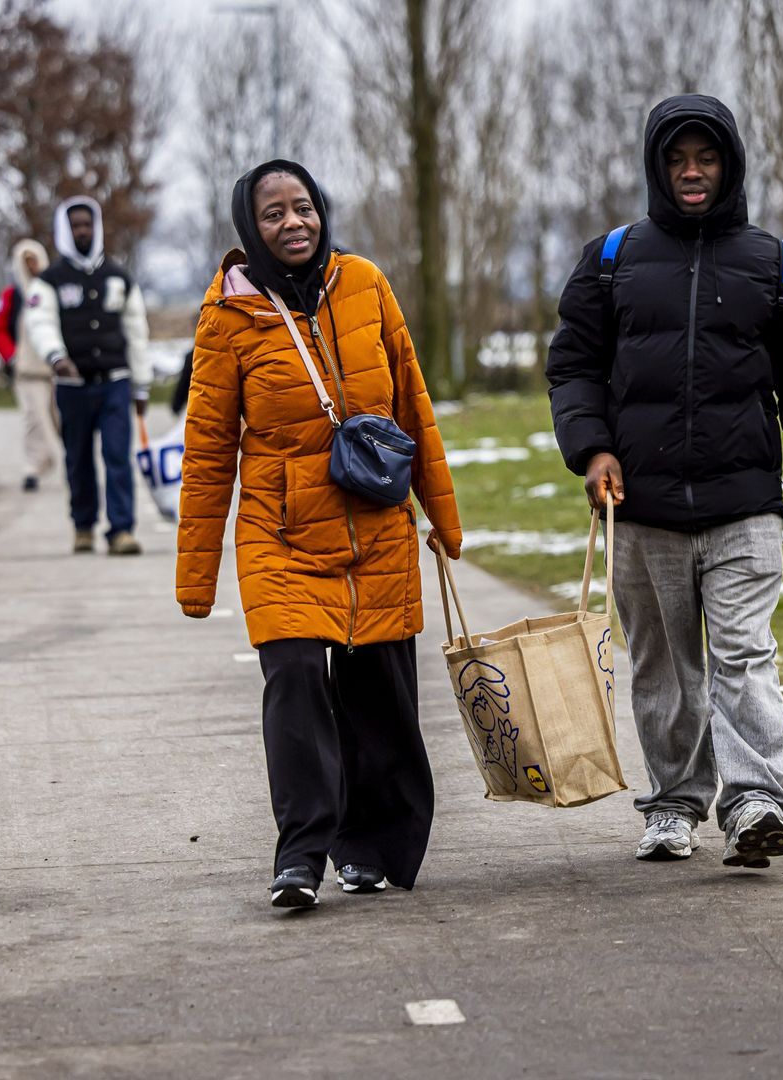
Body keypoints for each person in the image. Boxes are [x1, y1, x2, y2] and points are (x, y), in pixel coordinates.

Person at [546, 94, 783, 870]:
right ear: (657, 166)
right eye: (677, 159)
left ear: (730, 165)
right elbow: (573, 368)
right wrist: (591, 451)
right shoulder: (610, 259)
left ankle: (754, 801)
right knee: (664, 667)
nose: (692, 172)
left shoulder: (777, 266)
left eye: (706, 158)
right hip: (640, 509)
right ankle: (674, 805)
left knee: (744, 654)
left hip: (744, 504)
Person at [176, 160, 464, 910]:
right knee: (297, 677)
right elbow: (208, 451)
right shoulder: (228, 318)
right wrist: (196, 575)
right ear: (250, 227)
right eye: (273, 214)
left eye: (302, 207)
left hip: (376, 525)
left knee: (377, 691)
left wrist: (443, 513)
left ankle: (367, 846)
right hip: (281, 536)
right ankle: (301, 853)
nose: (293, 223)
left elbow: (413, 400)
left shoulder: (365, 284)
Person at [28, 197, 151, 555]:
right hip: (72, 387)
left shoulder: (118, 277)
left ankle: (121, 530)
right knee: (78, 458)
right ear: (64, 231)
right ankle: (83, 526)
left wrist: (140, 384)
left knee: (117, 455)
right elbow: (39, 322)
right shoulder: (49, 281)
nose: (82, 231)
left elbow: (137, 331)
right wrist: (56, 356)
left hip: (115, 382)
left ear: (96, 228)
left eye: (87, 224)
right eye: (75, 226)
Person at [0, 238, 63, 492]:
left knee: (60, 419)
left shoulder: (54, 290)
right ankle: (33, 466)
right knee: (33, 418)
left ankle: (68, 460)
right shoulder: (13, 295)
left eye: (34, 259)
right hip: (27, 371)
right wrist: (12, 356)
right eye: (25, 260)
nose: (31, 265)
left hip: (56, 368)